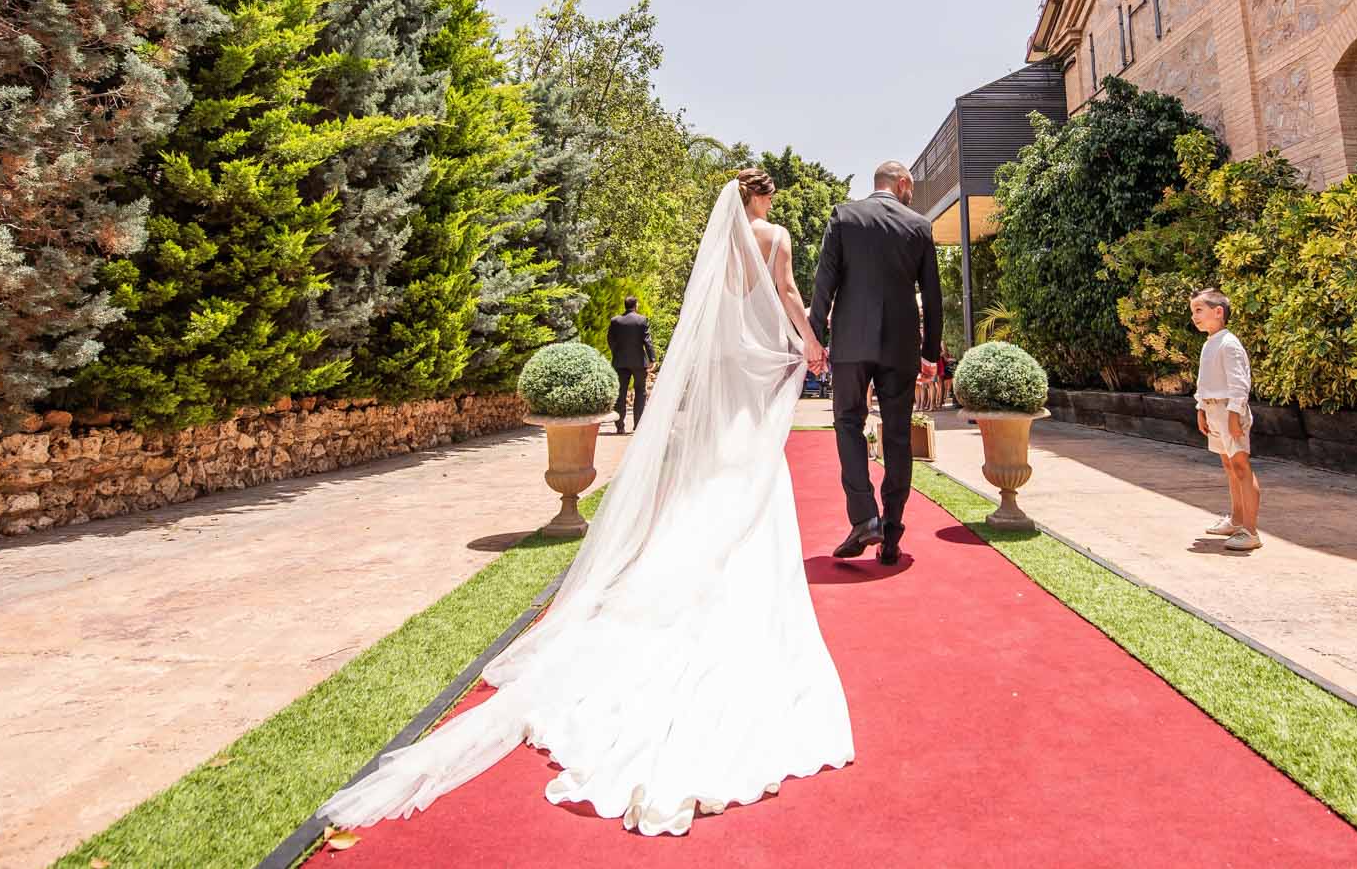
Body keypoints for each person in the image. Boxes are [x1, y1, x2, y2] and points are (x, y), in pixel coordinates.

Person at [321, 173, 850, 835]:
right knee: (752, 484)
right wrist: (809, 340)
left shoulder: (718, 250)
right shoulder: (773, 237)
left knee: (707, 484)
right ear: (760, 201)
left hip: (722, 383)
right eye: (766, 200)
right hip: (751, 383)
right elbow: (789, 292)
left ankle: (683, 572)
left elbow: (706, 328)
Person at [808, 160, 942, 567]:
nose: (911, 195)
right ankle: (892, 536)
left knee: (848, 421)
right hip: (900, 348)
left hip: (851, 344)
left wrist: (815, 339)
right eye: (911, 187)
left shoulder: (844, 216)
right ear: (900, 183)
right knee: (898, 436)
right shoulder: (918, 226)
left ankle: (865, 515)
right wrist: (930, 353)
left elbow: (824, 282)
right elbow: (932, 297)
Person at [1191, 288, 1261, 552]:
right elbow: (1204, 381)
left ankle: (1250, 531)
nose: (1194, 316)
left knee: (1241, 465)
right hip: (1213, 411)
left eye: (1199, 310)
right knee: (1229, 466)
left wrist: (1234, 415)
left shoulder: (1229, 343)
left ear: (1218, 312)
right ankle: (1236, 520)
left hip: (1228, 412)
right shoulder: (1210, 343)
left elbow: (1240, 383)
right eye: (1193, 312)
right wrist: (1200, 408)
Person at [606, 296, 655, 433]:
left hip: (620, 362)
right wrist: (652, 358)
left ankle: (620, 426)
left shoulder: (615, 320)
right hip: (638, 362)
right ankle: (637, 425)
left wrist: (616, 352)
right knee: (640, 392)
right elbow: (647, 341)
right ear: (636, 305)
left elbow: (610, 339)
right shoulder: (641, 320)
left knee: (620, 393)